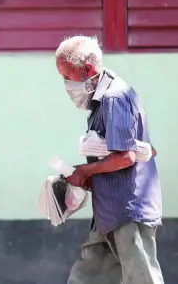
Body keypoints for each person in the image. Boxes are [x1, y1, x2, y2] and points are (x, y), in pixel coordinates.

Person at [55, 35, 164, 284]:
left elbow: (125, 158)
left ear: (88, 69)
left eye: (67, 76)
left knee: (143, 279)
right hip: (108, 212)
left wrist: (86, 171)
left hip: (127, 211)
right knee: (85, 278)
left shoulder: (114, 98)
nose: (65, 84)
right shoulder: (101, 101)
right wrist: (86, 177)